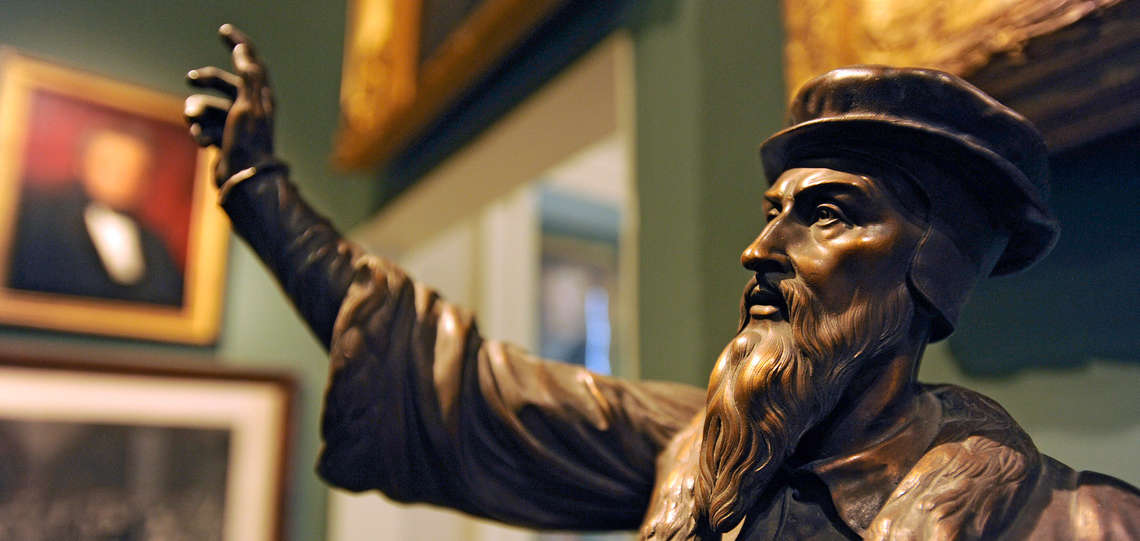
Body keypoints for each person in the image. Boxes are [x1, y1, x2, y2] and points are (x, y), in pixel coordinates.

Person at [184, 25, 1139, 540]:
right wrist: (262, 194)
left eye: (827, 213)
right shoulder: (702, 453)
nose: (759, 248)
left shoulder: (1081, 524)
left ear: (931, 268)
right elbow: (458, 379)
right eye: (772, 208)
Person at [8, 126, 184, 306]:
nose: (122, 177)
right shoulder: (40, 221)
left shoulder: (156, 244)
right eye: (110, 165)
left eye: (133, 169)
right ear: (81, 165)